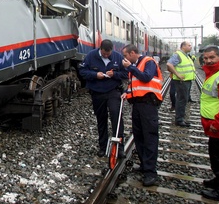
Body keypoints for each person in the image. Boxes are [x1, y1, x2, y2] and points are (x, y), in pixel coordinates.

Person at [121, 44, 163, 187]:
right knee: (139, 136)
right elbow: (134, 85)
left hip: (148, 105)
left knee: (149, 136)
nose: (124, 59)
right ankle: (145, 164)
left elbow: (146, 78)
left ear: (132, 53)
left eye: (126, 55)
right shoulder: (135, 65)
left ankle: (151, 172)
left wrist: (130, 68)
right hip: (138, 105)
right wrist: (127, 93)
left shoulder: (148, 62)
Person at [79, 39, 128, 158]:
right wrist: (95, 75)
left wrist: (114, 75)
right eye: (104, 54)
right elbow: (82, 71)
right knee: (101, 119)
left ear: (112, 50)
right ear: (100, 49)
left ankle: (120, 148)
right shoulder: (91, 56)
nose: (106, 55)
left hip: (113, 91)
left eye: (108, 54)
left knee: (116, 117)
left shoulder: (117, 57)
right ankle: (103, 146)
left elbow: (126, 74)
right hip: (97, 92)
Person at [199, 45, 219, 201]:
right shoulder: (215, 72)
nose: (208, 61)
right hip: (215, 126)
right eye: (206, 58)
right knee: (216, 156)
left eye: (212, 57)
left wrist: (218, 124)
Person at [167, 41, 196, 126]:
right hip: (182, 81)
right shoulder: (178, 55)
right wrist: (178, 74)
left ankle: (181, 118)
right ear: (183, 46)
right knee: (182, 100)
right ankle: (179, 120)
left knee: (183, 99)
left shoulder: (186, 55)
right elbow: (169, 64)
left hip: (186, 81)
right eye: (189, 45)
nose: (191, 47)